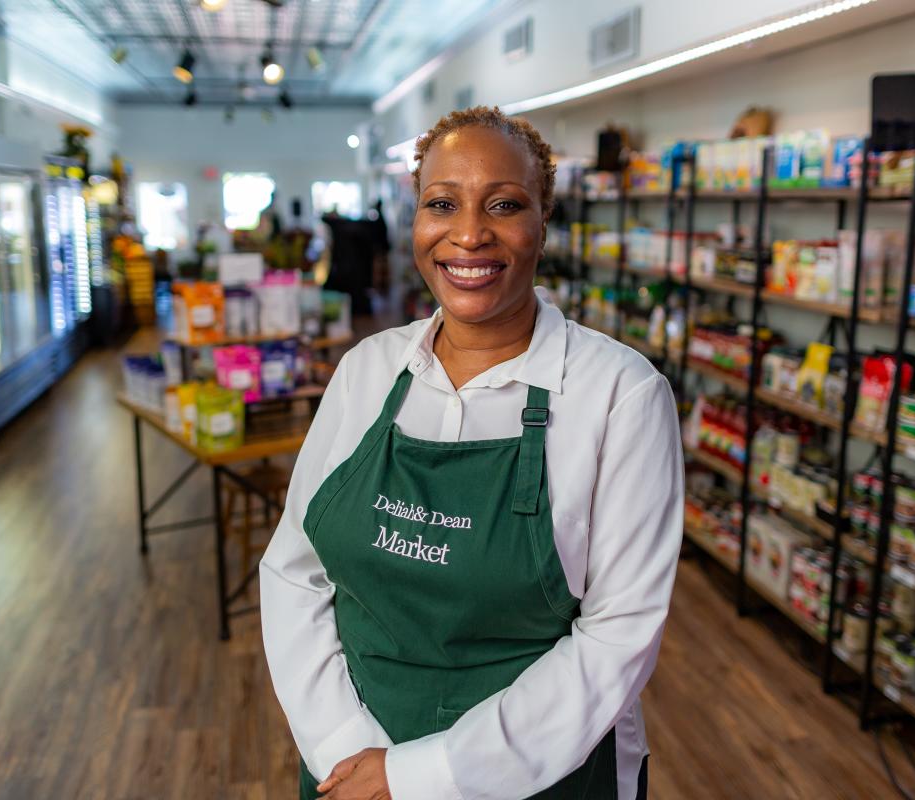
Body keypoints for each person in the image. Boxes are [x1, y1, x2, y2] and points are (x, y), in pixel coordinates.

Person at [260, 106, 683, 800]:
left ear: (543, 220)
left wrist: (419, 778)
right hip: (353, 760)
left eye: (504, 204)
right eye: (441, 204)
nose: (467, 235)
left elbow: (618, 637)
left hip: (539, 773)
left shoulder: (620, 395)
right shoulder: (367, 370)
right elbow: (292, 569)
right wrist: (346, 750)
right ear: (416, 220)